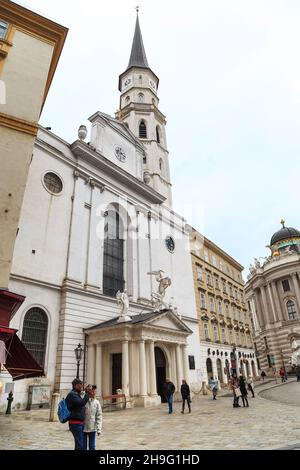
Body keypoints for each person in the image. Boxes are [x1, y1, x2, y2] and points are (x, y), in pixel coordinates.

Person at [66, 379, 91, 450]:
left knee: (80, 445)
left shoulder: (75, 394)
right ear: (76, 385)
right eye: (80, 386)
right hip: (75, 423)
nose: (81, 387)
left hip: (79, 423)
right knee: (79, 446)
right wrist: (87, 394)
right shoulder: (72, 395)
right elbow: (81, 403)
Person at [83, 385, 102, 451]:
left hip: (92, 427)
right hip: (83, 427)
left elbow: (99, 416)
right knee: (83, 447)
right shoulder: (84, 401)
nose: (94, 393)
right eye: (92, 392)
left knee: (92, 447)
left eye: (94, 392)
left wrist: (99, 429)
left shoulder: (97, 403)